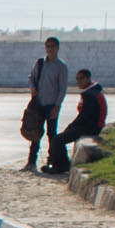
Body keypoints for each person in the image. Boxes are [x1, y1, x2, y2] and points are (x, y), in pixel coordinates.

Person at [49, 68, 107, 173]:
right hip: (88, 125)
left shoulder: (91, 95)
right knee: (59, 138)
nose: (78, 81)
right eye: (77, 79)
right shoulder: (90, 92)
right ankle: (61, 164)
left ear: (88, 79)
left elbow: (84, 116)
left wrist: (71, 126)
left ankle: (61, 166)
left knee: (57, 140)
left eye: (81, 78)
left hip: (91, 128)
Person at [24, 37, 68, 170]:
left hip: (51, 105)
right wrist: (32, 87)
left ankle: (52, 161)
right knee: (35, 133)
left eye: (52, 46)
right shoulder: (40, 63)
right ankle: (31, 162)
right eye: (47, 46)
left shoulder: (61, 67)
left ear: (57, 48)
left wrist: (57, 106)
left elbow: (62, 89)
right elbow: (31, 77)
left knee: (51, 134)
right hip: (38, 105)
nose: (50, 49)